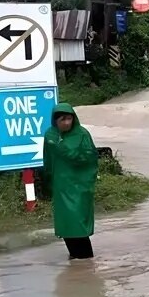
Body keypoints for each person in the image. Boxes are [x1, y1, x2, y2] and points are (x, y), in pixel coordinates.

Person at [43, 103, 99, 261]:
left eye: (69, 119)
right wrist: (46, 182)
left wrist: (62, 148)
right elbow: (47, 159)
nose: (66, 123)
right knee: (66, 224)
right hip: (61, 186)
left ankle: (86, 259)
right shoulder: (50, 135)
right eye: (62, 119)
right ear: (55, 121)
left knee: (78, 223)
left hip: (80, 186)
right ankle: (76, 260)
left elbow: (87, 158)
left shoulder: (82, 134)